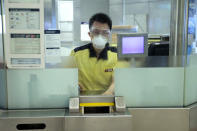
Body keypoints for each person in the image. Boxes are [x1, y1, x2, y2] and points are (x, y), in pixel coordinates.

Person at [70, 13, 117, 95]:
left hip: (108, 102)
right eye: (96, 32)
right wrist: (74, 85)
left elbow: (118, 81)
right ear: (90, 34)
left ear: (109, 35)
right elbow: (67, 77)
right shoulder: (76, 54)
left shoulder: (117, 55)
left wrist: (106, 96)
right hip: (83, 103)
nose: (100, 36)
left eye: (105, 32)